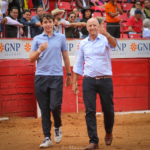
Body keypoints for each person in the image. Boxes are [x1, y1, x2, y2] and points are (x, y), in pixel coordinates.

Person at [72, 17, 117, 150]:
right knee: (89, 111)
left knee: (108, 110)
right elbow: (79, 63)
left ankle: (108, 131)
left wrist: (106, 33)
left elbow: (114, 45)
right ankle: (94, 141)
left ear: (99, 26)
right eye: (90, 25)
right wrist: (74, 82)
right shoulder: (83, 43)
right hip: (89, 80)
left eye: (94, 25)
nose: (92, 28)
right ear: (86, 27)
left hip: (105, 79)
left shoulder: (105, 39)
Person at [29, 13, 72, 148]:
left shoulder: (61, 37)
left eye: (50, 22)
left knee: (55, 106)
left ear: (54, 23)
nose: (47, 24)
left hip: (56, 76)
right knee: (45, 109)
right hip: (41, 77)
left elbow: (65, 57)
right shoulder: (37, 39)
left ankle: (57, 126)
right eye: (45, 22)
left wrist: (69, 75)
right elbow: (31, 59)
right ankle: (47, 137)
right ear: (41, 24)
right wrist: (40, 50)